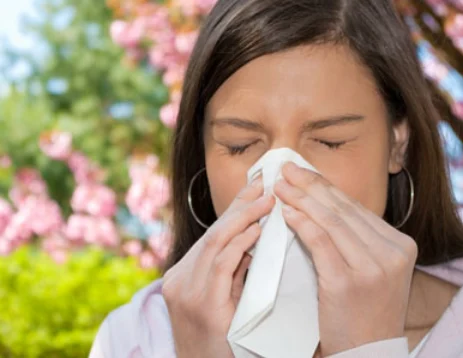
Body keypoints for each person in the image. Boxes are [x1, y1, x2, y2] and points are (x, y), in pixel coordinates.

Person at [89, 0, 463, 357]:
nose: (283, 177)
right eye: (240, 145)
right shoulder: (134, 339)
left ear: (397, 143)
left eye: (329, 142)